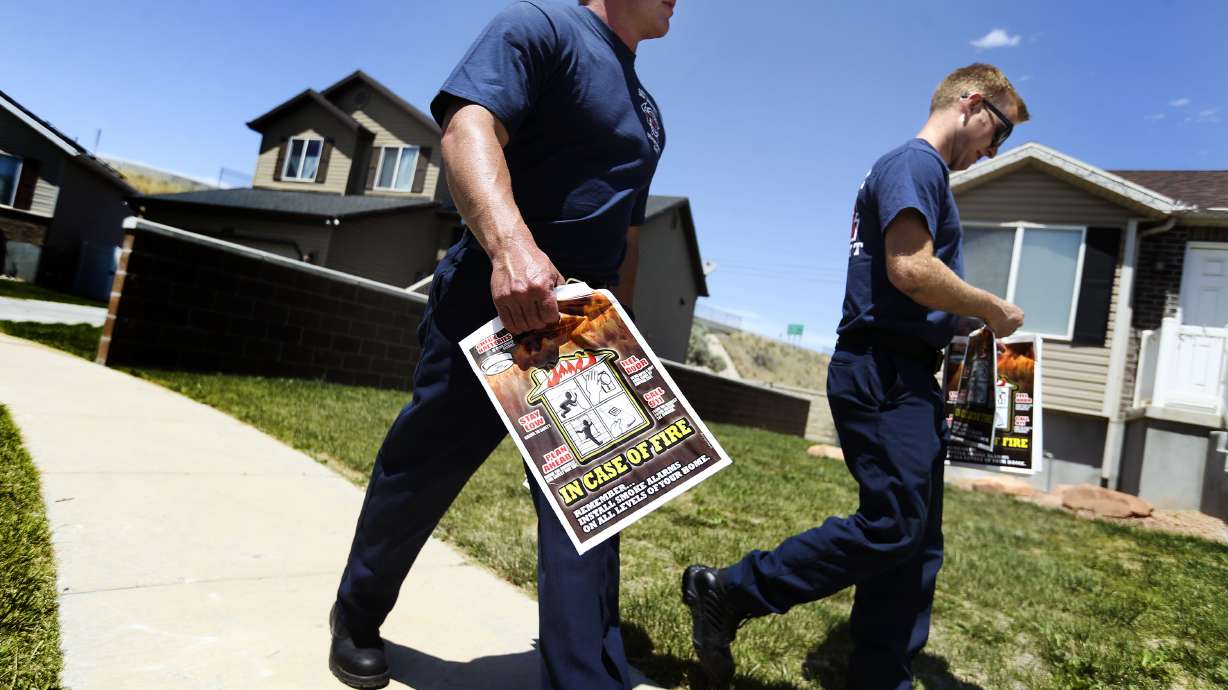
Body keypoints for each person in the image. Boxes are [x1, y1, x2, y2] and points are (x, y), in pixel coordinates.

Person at [328, 1, 676, 689]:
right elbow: (467, 129)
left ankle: (586, 674)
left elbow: (626, 230)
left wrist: (625, 327)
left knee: (593, 501)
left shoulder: (649, 109)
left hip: (582, 320)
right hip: (499, 297)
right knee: (422, 470)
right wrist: (511, 248)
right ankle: (357, 612)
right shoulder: (539, 28)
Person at [680, 63, 1029, 690]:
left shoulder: (927, 177)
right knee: (895, 523)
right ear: (972, 104)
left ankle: (879, 675)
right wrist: (991, 308)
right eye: (997, 131)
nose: (993, 148)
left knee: (916, 541)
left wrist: (960, 330)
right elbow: (909, 271)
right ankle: (730, 593)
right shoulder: (915, 165)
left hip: (907, 370)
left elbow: (913, 289)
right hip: (883, 370)